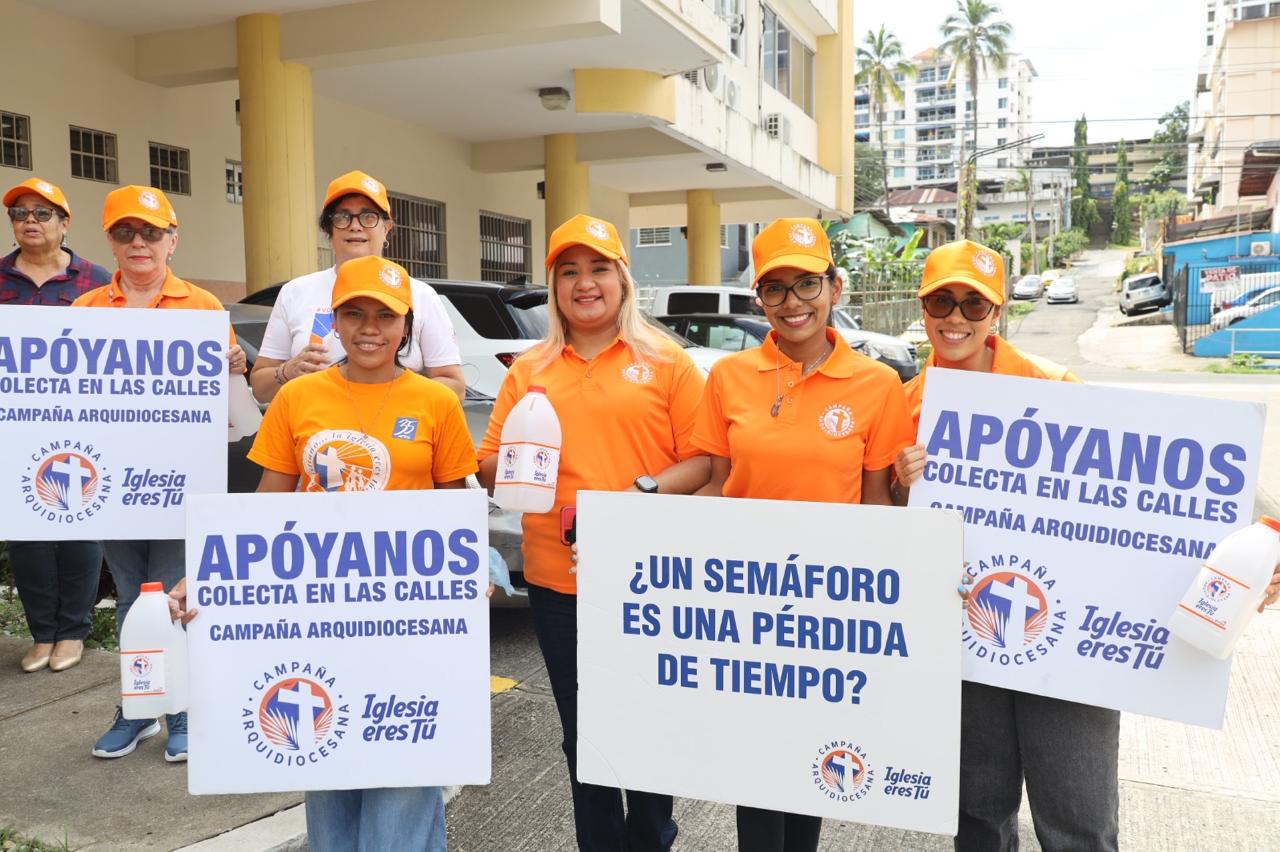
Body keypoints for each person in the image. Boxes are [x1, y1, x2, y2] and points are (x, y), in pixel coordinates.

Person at [893, 240, 1280, 852]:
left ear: (997, 313)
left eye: (974, 302)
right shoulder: (906, 404)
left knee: (1078, 824)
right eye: (942, 299)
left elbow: (1139, 507)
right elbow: (885, 522)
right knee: (976, 815)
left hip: (1072, 644)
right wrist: (900, 481)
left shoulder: (1056, 387)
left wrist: (1244, 568)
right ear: (922, 307)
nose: (956, 317)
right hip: (961, 636)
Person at [172, 255, 480, 852]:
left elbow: (456, 512)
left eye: (384, 317)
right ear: (333, 322)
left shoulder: (436, 403)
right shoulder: (298, 398)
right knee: (327, 773)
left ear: (406, 326)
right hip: (319, 622)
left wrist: (476, 571)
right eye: (354, 313)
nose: (369, 328)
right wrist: (206, 575)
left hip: (405, 625)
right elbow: (267, 506)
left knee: (400, 792)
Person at [477, 214, 709, 852]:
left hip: (648, 581)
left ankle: (653, 836)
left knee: (650, 724)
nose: (585, 284)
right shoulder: (529, 369)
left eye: (598, 268)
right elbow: (490, 461)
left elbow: (703, 461)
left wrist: (641, 494)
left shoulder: (667, 361)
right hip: (558, 580)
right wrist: (523, 463)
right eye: (569, 272)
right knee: (585, 733)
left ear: (622, 279)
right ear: (553, 287)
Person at [692, 218, 915, 852]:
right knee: (755, 774)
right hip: (743, 604)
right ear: (759, 299)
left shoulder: (877, 386)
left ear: (835, 287)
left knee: (815, 765)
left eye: (807, 283)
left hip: (829, 608)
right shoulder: (729, 378)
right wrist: (637, 525)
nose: (793, 302)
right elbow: (715, 483)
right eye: (776, 288)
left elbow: (878, 506)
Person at [72, 184, 247, 762]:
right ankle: (139, 707)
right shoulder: (86, 310)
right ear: (111, 242)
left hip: (179, 482)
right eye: (126, 232)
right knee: (128, 600)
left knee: (175, 597)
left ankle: (181, 709)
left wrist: (235, 371)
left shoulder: (201, 308)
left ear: (173, 239)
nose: (139, 242)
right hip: (110, 485)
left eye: (151, 232)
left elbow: (232, 412)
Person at [2, 177, 112, 674]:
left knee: (80, 527)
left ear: (64, 224)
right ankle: (41, 634)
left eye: (42, 213)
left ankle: (72, 632)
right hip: (16, 428)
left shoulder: (96, 279)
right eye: (20, 212)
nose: (30, 220)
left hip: (84, 427)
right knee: (24, 533)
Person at [249, 170, 464, 404]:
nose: (355, 226)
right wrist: (288, 371)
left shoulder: (420, 295)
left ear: (387, 228)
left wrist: (392, 393)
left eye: (368, 217)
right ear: (329, 231)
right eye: (342, 217)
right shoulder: (295, 292)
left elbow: (454, 388)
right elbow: (260, 388)